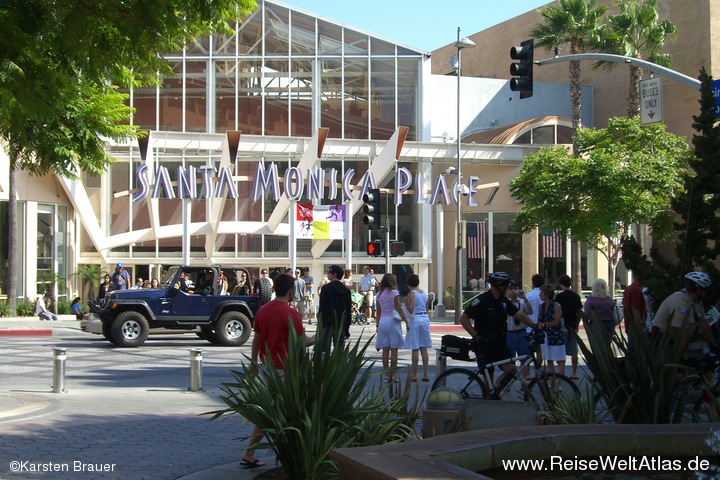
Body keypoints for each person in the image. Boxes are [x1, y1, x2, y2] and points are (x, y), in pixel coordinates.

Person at [241, 273, 315, 468]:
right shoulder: (291, 314)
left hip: (269, 367)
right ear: (291, 291)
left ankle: (251, 451)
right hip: (286, 369)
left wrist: (253, 363)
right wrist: (319, 337)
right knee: (283, 410)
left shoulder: (263, 311)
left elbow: (257, 339)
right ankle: (255, 451)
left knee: (271, 408)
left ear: (274, 289)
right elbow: (301, 342)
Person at [459, 272, 536, 393]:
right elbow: (463, 319)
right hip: (484, 343)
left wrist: (535, 326)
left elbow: (520, 315)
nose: (507, 288)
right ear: (498, 286)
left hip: (500, 343)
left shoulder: (503, 301)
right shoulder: (482, 300)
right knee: (488, 376)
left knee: (512, 371)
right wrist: (476, 335)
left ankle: (496, 392)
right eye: (505, 285)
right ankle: (487, 398)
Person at [652, 271, 719, 360]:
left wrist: (713, 344)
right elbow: (681, 332)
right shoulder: (680, 302)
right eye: (705, 290)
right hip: (662, 341)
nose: (706, 293)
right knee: (680, 371)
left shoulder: (696, 301)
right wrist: (686, 358)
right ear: (698, 290)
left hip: (676, 338)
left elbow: (703, 322)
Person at [375, 273, 409, 383]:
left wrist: (377, 325)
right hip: (393, 322)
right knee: (394, 350)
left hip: (383, 322)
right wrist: (406, 322)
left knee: (385, 350)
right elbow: (399, 308)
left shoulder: (379, 294)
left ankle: (386, 375)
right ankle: (393, 375)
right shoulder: (394, 293)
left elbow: (378, 312)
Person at [403, 274, 432, 382]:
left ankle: (415, 374)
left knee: (415, 348)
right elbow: (427, 308)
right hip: (425, 319)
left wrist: (405, 302)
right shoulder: (423, 293)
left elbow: (410, 309)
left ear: (409, 284)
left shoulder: (412, 293)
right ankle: (426, 374)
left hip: (415, 320)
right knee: (423, 348)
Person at [554, 274, 584, 379]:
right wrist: (577, 323)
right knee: (574, 350)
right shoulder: (576, 296)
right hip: (573, 325)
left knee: (561, 350)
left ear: (561, 284)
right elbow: (579, 312)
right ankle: (574, 372)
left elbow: (555, 310)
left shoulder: (559, 297)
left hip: (562, 325)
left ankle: (561, 373)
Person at [318, 265, 352, 352]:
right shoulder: (346, 290)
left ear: (334, 274)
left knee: (324, 350)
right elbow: (348, 310)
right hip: (341, 323)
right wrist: (347, 327)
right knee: (339, 349)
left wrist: (321, 324)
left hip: (327, 322)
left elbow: (322, 308)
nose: (327, 274)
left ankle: (325, 364)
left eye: (329, 272)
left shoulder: (326, 288)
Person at [537, 283, 565, 387]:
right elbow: (539, 319)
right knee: (548, 359)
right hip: (546, 335)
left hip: (556, 335)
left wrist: (544, 325)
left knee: (560, 360)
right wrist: (540, 325)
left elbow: (556, 322)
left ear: (547, 294)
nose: (540, 295)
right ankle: (551, 382)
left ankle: (558, 383)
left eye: (542, 293)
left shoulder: (556, 306)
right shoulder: (542, 306)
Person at [505, 280, 532, 379]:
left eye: (515, 288)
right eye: (510, 289)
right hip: (509, 333)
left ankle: (526, 378)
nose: (513, 291)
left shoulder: (521, 302)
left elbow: (530, 311)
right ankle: (508, 380)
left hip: (521, 332)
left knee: (525, 357)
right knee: (509, 359)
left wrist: (524, 298)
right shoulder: (504, 303)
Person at [623, 271, 647, 339]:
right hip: (634, 327)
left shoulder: (628, 289)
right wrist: (640, 328)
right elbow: (635, 309)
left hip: (629, 325)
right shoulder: (637, 290)